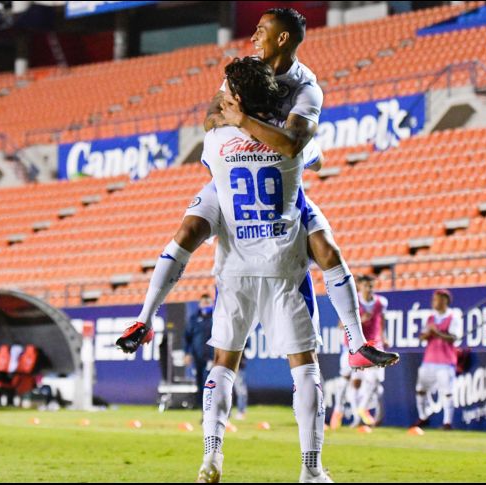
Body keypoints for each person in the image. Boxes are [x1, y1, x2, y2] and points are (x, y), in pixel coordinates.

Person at [116, 7, 399, 371]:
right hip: (233, 176)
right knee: (187, 230)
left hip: (277, 179)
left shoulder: (307, 87)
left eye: (260, 31)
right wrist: (247, 125)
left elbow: (293, 144)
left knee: (327, 249)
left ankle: (357, 343)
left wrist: (243, 119)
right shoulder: (245, 70)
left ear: (282, 39)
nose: (252, 37)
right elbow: (210, 117)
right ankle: (144, 319)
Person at [197, 57, 329, 483]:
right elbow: (301, 150)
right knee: (305, 366)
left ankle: (212, 456)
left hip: (235, 266)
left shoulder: (217, 142)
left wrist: (232, 117)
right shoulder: (294, 134)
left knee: (223, 363)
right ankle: (311, 469)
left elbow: (211, 122)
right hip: (282, 263)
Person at [413, 289, 460, 430]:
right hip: (429, 360)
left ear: (445, 300)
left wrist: (437, 332)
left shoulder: (453, 317)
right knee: (420, 389)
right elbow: (422, 337)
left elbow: (454, 338)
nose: (433, 302)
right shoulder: (430, 318)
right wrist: (427, 334)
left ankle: (447, 422)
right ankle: (423, 417)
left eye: (436, 299)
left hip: (445, 361)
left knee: (447, 391)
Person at [354, 275, 392, 427]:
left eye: (371, 286)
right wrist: (361, 321)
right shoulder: (354, 301)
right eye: (366, 286)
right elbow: (343, 325)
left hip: (376, 345)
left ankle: (366, 411)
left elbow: (381, 322)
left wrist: (385, 337)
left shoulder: (381, 302)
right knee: (364, 383)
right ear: (360, 286)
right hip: (360, 346)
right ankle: (364, 414)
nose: (369, 289)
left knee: (376, 381)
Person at [184, 293, 214, 407]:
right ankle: (205, 412)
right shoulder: (194, 318)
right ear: (199, 304)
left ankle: (218, 411)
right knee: (201, 384)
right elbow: (187, 337)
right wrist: (187, 353)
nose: (206, 305)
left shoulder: (216, 317)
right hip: (198, 357)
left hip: (212, 357)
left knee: (211, 384)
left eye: (208, 302)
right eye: (204, 302)